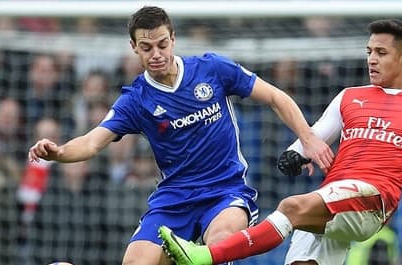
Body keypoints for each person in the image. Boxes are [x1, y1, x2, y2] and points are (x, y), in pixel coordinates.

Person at [158, 19, 402, 265]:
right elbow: (313, 137)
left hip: (371, 200)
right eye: (369, 50)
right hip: (332, 198)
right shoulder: (349, 97)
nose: (371, 58)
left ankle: (203, 256)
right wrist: (293, 156)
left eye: (381, 53)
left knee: (291, 207)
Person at [27, 6, 333, 265]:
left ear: (173, 39)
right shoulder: (136, 99)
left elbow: (275, 97)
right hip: (174, 199)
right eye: (146, 48)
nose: (156, 54)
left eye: (162, 44)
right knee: (136, 261)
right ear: (134, 48)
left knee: (220, 245)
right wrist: (59, 152)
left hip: (225, 191)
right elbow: (93, 142)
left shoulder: (212, 69)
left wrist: (308, 138)